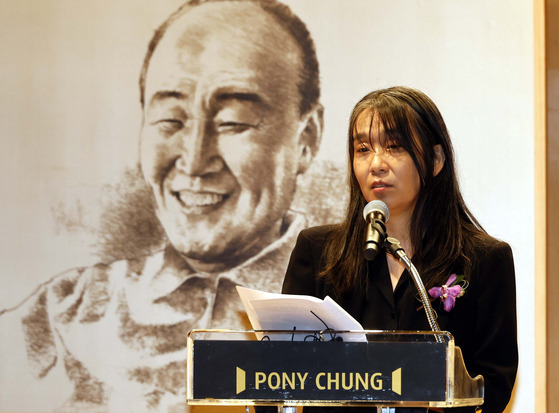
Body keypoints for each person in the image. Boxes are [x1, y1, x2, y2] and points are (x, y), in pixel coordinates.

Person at [0, 0, 323, 412]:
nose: (193, 160)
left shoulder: (350, 297)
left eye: (233, 121)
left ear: (306, 139)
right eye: (170, 119)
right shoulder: (63, 312)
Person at [280, 87, 518, 413]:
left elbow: (495, 387)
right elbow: (277, 374)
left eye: (394, 147)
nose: (376, 164)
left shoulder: (484, 259)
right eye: (363, 148)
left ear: (435, 159)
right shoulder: (318, 252)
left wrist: (443, 386)